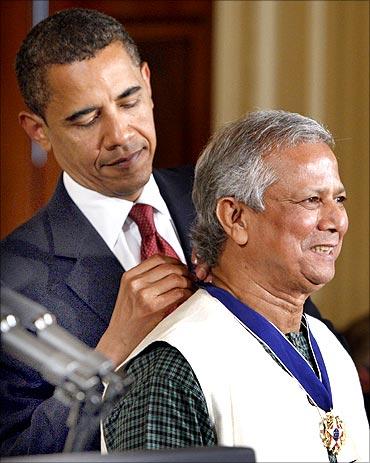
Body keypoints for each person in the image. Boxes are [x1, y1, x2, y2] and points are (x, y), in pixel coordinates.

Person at [0, 8, 342, 456]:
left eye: (129, 100)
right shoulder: (12, 277)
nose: (120, 134)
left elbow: (312, 348)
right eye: (86, 119)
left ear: (148, 82)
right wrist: (107, 353)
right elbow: (17, 451)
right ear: (38, 131)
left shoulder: (232, 204)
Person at [102, 110, 369, 462]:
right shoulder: (170, 370)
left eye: (339, 199)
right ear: (235, 217)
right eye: (311, 200)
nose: (337, 221)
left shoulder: (330, 348)